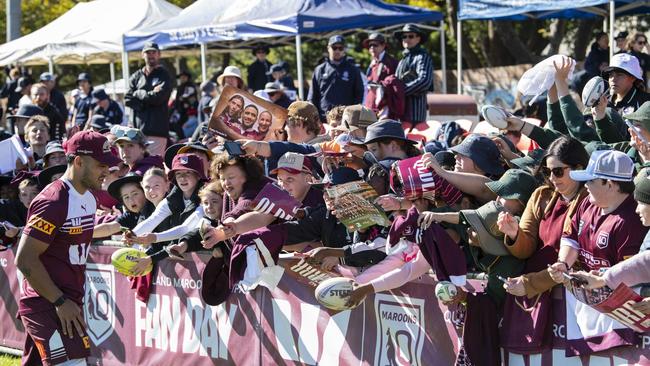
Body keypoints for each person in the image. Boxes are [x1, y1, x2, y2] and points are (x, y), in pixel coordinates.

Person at [14, 130, 120, 366]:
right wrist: (60, 302)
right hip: (50, 303)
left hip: (66, 302)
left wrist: (122, 227)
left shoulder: (89, 198)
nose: (107, 171)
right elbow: (25, 259)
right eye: (101, 164)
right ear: (79, 161)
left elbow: (78, 235)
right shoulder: (53, 201)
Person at [547, 149, 647, 355]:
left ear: (609, 184)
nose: (585, 186)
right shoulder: (587, 202)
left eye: (591, 180)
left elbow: (634, 274)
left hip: (622, 325)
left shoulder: (633, 220)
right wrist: (563, 264)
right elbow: (571, 238)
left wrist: (599, 280)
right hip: (591, 313)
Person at [124, 42, 173, 157]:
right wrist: (146, 100)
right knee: (137, 167)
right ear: (142, 55)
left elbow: (158, 98)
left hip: (157, 131)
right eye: (147, 52)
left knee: (152, 166)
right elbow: (127, 99)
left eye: (153, 52)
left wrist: (139, 93)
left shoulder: (164, 75)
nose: (151, 55)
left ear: (159, 54)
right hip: (136, 132)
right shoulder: (136, 76)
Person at [308, 35, 364, 122]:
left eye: (340, 48)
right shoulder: (319, 69)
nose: (337, 50)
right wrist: (315, 118)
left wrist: (353, 116)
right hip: (324, 119)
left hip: (346, 119)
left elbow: (359, 95)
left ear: (344, 49)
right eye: (334, 47)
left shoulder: (353, 70)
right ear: (328, 48)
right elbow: (312, 96)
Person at [394, 24, 434, 129]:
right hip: (401, 112)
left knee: (414, 142)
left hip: (415, 114)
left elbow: (425, 80)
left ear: (418, 39)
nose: (407, 39)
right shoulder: (403, 59)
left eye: (411, 36)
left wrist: (402, 91)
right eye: (404, 36)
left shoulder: (422, 56)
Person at [363, 32, 400, 119]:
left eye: (375, 45)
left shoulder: (391, 63)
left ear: (383, 46)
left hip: (383, 112)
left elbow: (394, 89)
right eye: (370, 45)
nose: (372, 48)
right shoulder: (373, 63)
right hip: (371, 108)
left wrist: (386, 109)